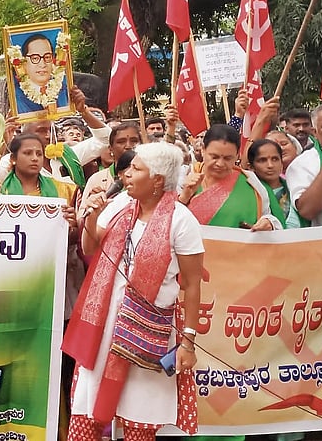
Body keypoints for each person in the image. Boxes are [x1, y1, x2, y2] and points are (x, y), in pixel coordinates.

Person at [67, 141, 203, 441]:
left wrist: (188, 343)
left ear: (156, 180)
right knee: (86, 411)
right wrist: (90, 214)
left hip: (147, 334)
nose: (126, 174)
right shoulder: (118, 207)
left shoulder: (181, 220)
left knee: (140, 420)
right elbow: (90, 247)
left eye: (136, 169)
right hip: (104, 327)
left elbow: (193, 285)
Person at [0, 87, 110, 188]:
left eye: (50, 130)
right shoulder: (10, 161)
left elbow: (106, 139)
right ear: (24, 135)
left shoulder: (68, 154)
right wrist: (5, 143)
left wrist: (84, 111)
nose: (47, 135)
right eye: (40, 131)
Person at [179, 124, 282, 229]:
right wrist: (183, 198)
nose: (220, 163)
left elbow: (268, 217)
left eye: (228, 158)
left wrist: (268, 223)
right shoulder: (184, 177)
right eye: (214, 157)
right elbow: (166, 222)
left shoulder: (251, 182)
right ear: (203, 150)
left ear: (237, 155)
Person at [83, 123, 141, 199]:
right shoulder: (97, 179)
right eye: (121, 142)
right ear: (111, 148)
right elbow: (83, 210)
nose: (128, 146)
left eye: (134, 141)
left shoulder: (150, 176)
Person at [14, 34, 68, 114]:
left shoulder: (65, 90)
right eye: (35, 58)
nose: (42, 64)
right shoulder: (15, 97)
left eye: (47, 57)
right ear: (24, 63)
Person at [247, 139, 291, 223]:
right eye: (262, 160)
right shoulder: (249, 193)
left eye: (275, 159)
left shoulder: (293, 187)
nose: (270, 165)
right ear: (251, 167)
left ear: (281, 163)